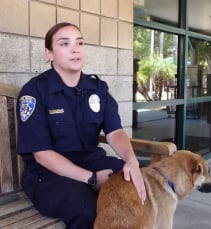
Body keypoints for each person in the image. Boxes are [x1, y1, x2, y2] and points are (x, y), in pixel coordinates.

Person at [16, 22, 146, 229]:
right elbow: (42, 154)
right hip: (48, 175)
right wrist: (92, 179)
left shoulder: (97, 89)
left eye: (80, 43)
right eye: (64, 43)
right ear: (49, 53)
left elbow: (115, 131)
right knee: (86, 209)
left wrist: (132, 161)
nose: (75, 49)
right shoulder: (34, 92)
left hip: (91, 162)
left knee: (142, 179)